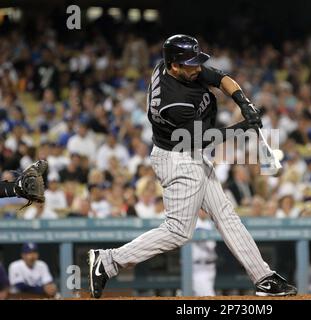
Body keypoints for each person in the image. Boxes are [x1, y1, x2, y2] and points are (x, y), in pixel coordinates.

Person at [88, 34, 297, 298]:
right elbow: (202, 138)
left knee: (225, 215)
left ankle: (263, 277)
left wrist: (244, 102)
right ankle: (108, 261)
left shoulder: (172, 67)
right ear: (174, 66)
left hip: (189, 151)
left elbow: (220, 78)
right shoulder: (172, 101)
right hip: (178, 158)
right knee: (178, 231)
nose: (197, 68)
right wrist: (242, 128)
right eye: (190, 64)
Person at [192, 209, 217, 296]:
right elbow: (211, 245)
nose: (204, 212)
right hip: (198, 268)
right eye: (201, 210)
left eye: (205, 210)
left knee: (199, 296)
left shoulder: (210, 224)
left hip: (211, 267)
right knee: (209, 296)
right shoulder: (193, 224)